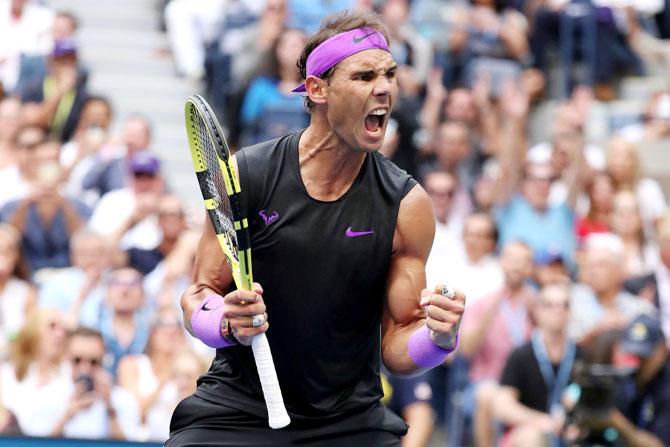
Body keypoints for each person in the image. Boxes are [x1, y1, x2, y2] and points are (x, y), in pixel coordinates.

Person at [167, 10, 465, 446]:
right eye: (364, 76)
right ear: (317, 89)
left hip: (349, 420)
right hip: (238, 408)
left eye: (389, 75)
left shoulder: (406, 205)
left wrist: (439, 338)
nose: (383, 88)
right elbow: (197, 296)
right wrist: (227, 322)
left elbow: (397, 344)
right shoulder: (247, 175)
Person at [493, 283, 580, 447]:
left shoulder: (581, 355)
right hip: (531, 430)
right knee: (531, 438)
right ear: (537, 312)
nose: (558, 310)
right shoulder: (521, 355)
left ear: (571, 312)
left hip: (569, 430)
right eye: (549, 305)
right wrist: (543, 421)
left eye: (564, 305)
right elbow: (502, 405)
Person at [50, 326, 141, 440]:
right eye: (77, 360)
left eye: (94, 362)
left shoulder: (123, 399)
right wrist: (67, 415)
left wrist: (110, 409)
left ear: (104, 360)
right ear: (66, 357)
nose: (85, 369)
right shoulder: (50, 395)